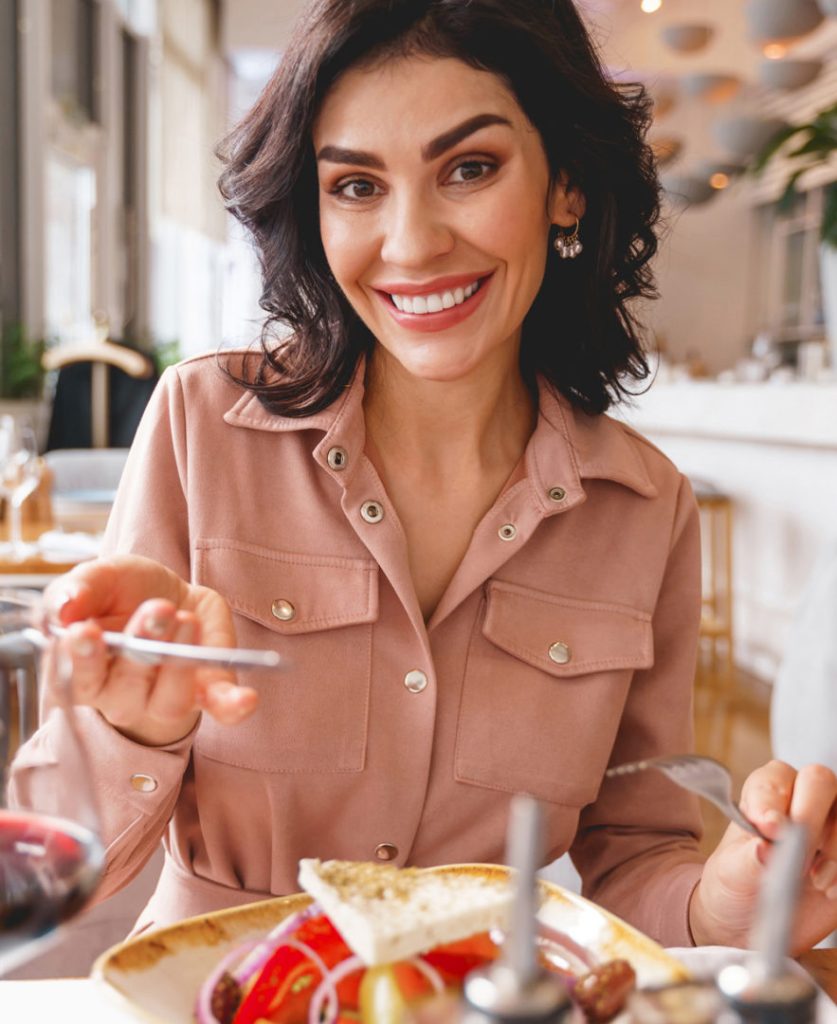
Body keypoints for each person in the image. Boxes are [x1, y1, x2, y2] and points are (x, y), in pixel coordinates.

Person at [12, 0, 837, 954]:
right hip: (216, 996)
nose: (410, 244)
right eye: (356, 186)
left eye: (470, 169)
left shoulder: (644, 509)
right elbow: (55, 871)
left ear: (565, 183)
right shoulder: (202, 427)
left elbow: (635, 855)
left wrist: (724, 905)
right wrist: (131, 730)